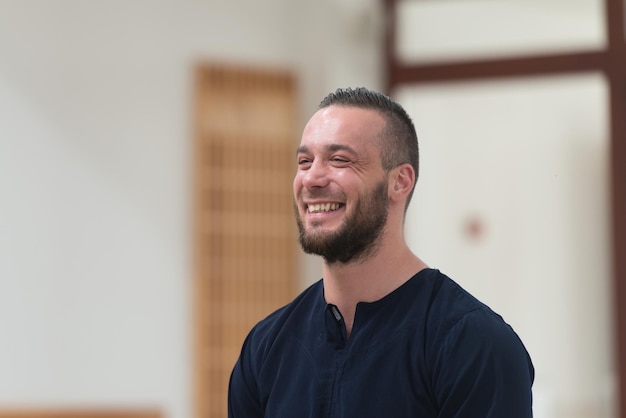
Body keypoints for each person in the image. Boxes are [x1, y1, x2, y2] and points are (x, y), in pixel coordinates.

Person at [228, 87, 534, 417]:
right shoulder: (266, 347)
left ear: (400, 181)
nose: (312, 177)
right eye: (304, 161)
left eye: (339, 160)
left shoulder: (472, 344)